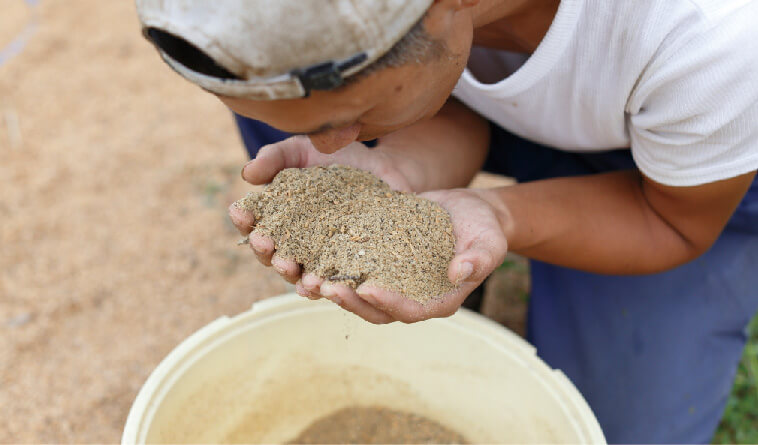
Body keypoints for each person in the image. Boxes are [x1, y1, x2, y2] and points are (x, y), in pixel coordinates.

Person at [135, 0, 758, 442]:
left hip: (679, 180)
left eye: (347, 117)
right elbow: (462, 98)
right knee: (293, 114)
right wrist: (400, 164)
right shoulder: (418, 40)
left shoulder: (712, 37)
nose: (327, 149)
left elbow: (671, 222)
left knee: (621, 429)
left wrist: (501, 215)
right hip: (488, 97)